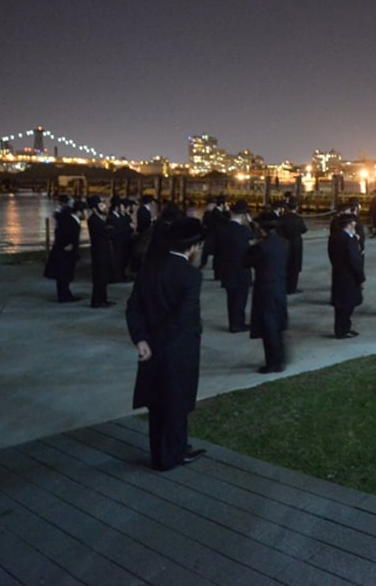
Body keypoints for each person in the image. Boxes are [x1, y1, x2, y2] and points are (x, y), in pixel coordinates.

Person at [125, 216, 208, 471]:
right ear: (193, 247)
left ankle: (165, 451)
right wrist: (159, 341)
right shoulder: (191, 276)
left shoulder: (149, 268)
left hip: (149, 349)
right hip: (178, 349)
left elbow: (133, 309)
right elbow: (183, 317)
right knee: (177, 402)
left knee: (158, 404)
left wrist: (141, 340)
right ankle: (172, 455)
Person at [244, 212, 289, 374]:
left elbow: (246, 262)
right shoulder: (283, 243)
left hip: (265, 288)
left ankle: (273, 362)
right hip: (279, 286)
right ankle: (280, 358)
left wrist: (251, 245)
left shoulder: (261, 247)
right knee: (277, 324)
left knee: (267, 325)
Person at [215, 200, 253, 332]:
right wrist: (251, 222)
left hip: (226, 269)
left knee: (231, 300)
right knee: (240, 300)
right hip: (241, 270)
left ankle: (233, 323)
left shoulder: (223, 229)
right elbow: (257, 235)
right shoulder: (244, 231)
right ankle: (238, 324)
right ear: (244, 216)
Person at [329, 212, 365, 339]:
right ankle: (343, 330)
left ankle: (341, 328)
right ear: (350, 224)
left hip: (338, 274)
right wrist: (361, 278)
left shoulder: (334, 237)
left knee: (340, 305)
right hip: (349, 277)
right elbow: (355, 260)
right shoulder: (349, 240)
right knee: (347, 305)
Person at [44, 199, 86, 302]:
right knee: (63, 274)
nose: (86, 213)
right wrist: (66, 244)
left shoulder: (72, 220)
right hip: (64, 253)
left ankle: (66, 294)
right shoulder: (69, 221)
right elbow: (60, 233)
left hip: (68, 253)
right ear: (79, 211)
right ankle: (64, 296)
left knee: (66, 275)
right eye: (84, 211)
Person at [86, 194, 115, 307]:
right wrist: (110, 230)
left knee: (104, 277)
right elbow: (107, 233)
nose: (103, 207)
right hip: (99, 252)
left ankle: (103, 299)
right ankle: (97, 300)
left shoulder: (100, 219)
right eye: (100, 205)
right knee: (99, 277)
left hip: (104, 251)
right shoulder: (93, 220)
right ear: (94, 208)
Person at [275, 201, 308, 295]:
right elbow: (304, 229)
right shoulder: (298, 218)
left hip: (284, 241)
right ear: (296, 207)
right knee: (295, 264)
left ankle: (283, 285)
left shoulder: (282, 218)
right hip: (296, 242)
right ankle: (292, 287)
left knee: (285, 263)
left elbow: (278, 230)